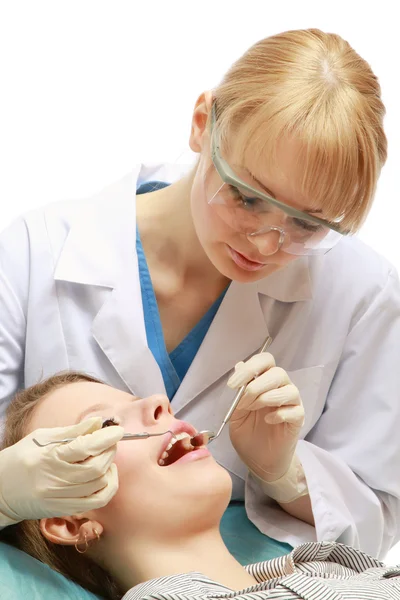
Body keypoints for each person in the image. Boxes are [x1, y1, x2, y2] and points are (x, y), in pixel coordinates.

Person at [0, 28, 399, 560]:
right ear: (200, 125)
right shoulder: (33, 253)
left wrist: (283, 472)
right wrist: (6, 489)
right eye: (246, 197)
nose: (265, 242)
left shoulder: (360, 294)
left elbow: (375, 521)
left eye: (306, 224)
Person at [1, 373, 400, 600]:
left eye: (141, 398)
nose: (161, 401)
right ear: (72, 522)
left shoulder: (325, 565)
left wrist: (283, 472)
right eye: (107, 425)